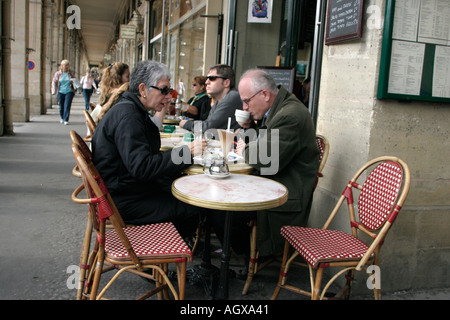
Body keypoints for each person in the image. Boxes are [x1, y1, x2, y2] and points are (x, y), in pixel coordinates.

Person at [92, 60, 206, 237]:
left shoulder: (130, 109)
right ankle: (163, 256)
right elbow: (142, 167)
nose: (169, 97)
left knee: (181, 191)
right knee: (191, 207)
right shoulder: (129, 117)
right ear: (143, 89)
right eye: (164, 90)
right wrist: (186, 153)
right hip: (123, 200)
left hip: (122, 190)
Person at [215, 69, 319, 257]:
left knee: (223, 211)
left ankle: (247, 257)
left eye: (246, 101)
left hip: (284, 196)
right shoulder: (281, 109)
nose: (245, 108)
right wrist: (250, 131)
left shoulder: (290, 115)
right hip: (274, 183)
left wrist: (241, 148)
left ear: (264, 95)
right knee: (222, 199)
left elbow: (264, 157)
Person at [179, 64, 242, 136]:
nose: (206, 82)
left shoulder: (232, 97)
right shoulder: (220, 99)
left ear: (226, 83)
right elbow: (208, 125)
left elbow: (208, 127)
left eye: (212, 78)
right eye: (207, 78)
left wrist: (185, 123)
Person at [51, 59, 76, 125]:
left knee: (67, 105)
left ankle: (66, 119)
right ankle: (62, 117)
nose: (67, 67)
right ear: (62, 66)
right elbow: (54, 82)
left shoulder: (71, 73)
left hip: (69, 91)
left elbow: (75, 80)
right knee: (61, 106)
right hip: (60, 91)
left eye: (68, 65)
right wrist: (54, 90)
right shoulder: (58, 74)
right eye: (65, 65)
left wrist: (73, 82)